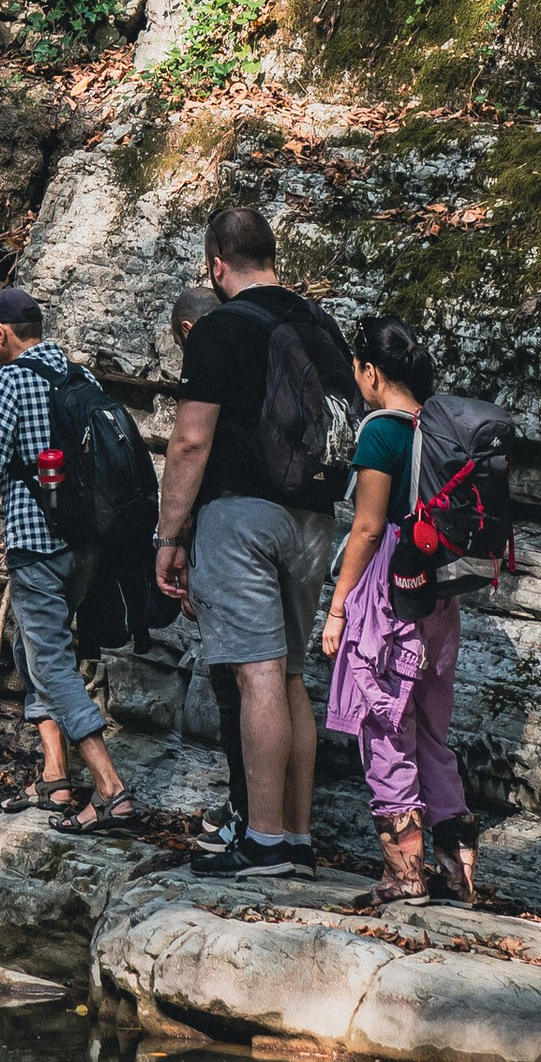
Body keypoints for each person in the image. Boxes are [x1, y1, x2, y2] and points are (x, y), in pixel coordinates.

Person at [154, 202, 357, 877]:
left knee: (257, 672)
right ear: (272, 254)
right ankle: (296, 838)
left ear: (217, 263)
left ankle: (263, 840)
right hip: (316, 519)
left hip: (241, 516)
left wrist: (170, 534)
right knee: (292, 673)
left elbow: (189, 442)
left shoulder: (219, 328)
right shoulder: (319, 323)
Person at [0, 286, 141, 834]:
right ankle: (56, 776)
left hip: (37, 543)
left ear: (3, 332)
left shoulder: (7, 381)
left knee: (50, 659)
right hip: (87, 545)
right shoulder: (80, 377)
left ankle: (110, 788)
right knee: (32, 645)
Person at [323, 314, 477, 907]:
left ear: (371, 371)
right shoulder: (442, 429)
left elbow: (366, 527)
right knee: (433, 735)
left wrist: (337, 609)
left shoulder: (381, 431)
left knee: (386, 727)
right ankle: (458, 878)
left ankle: (404, 877)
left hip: (391, 594)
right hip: (441, 596)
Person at [170, 283, 250, 849]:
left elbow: (191, 452)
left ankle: (246, 812)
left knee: (235, 685)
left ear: (191, 331)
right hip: (285, 531)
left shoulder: (213, 365)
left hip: (227, 544)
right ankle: (259, 813)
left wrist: (171, 541)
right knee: (270, 681)